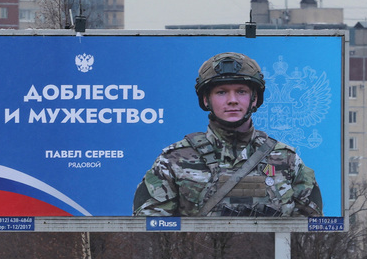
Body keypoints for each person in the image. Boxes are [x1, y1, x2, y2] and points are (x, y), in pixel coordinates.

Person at [133, 52, 323, 217]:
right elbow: (149, 232)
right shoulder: (173, 160)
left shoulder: (287, 160)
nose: (232, 100)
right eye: (222, 92)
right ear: (206, 99)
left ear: (254, 99)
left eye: (241, 92)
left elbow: (311, 233)